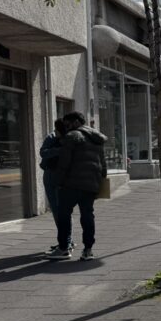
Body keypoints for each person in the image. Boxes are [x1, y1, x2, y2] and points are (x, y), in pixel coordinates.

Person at [51, 112, 107, 261]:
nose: (66, 127)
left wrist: (58, 182)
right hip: (91, 185)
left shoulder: (71, 136)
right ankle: (88, 250)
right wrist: (101, 180)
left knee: (63, 215)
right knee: (87, 215)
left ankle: (63, 248)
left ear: (75, 122)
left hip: (71, 184)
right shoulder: (96, 137)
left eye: (67, 124)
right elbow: (103, 163)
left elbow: (64, 163)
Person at [40, 118, 74, 255]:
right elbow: (43, 152)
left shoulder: (69, 138)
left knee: (61, 211)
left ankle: (66, 243)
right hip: (53, 176)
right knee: (59, 211)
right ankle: (66, 241)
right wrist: (59, 150)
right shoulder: (53, 137)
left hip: (61, 178)